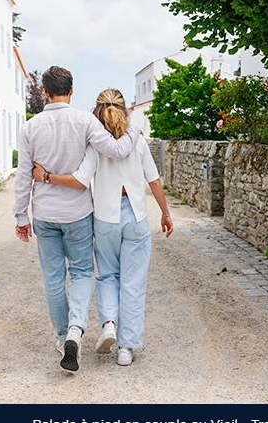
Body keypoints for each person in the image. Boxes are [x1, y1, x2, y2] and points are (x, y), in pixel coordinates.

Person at [14, 67, 141, 374]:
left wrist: (21, 216)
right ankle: (76, 330)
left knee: (53, 278)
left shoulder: (31, 128)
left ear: (45, 92)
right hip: (78, 214)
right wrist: (135, 130)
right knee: (83, 272)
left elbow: (22, 176)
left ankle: (63, 337)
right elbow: (117, 149)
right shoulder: (85, 122)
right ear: (71, 90)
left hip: (44, 214)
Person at [33, 88, 173, 367]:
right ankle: (126, 348)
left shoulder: (95, 145)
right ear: (125, 110)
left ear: (97, 112)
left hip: (105, 219)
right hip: (135, 217)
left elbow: (79, 181)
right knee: (133, 284)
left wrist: (45, 176)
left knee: (107, 276)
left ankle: (109, 324)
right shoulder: (138, 142)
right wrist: (166, 213)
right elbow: (154, 181)